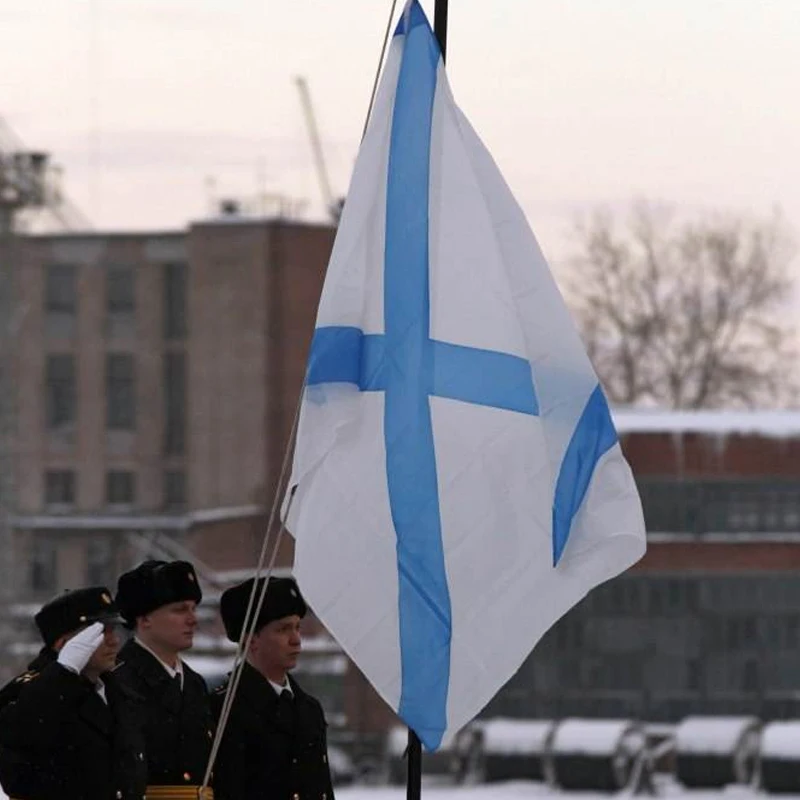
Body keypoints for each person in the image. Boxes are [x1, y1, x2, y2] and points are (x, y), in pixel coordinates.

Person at [0, 587, 147, 800]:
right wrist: (63, 673)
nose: (114, 641)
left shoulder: (118, 692)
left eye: (112, 631)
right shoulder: (26, 691)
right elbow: (20, 738)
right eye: (100, 633)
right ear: (64, 644)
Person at [211, 576, 335, 800]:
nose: (296, 639)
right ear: (251, 640)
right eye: (283, 629)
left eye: (297, 627)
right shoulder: (222, 709)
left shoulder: (308, 708)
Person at [114, 560, 214, 799]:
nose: (192, 619)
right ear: (144, 618)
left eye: (193, 608)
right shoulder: (118, 680)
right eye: (180, 610)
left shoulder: (194, 683)